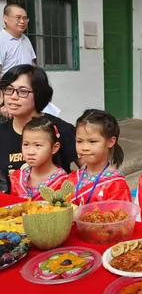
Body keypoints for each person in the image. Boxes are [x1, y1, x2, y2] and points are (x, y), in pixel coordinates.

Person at [0, 65, 77, 193]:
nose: (13, 96)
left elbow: (90, 170)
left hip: (55, 209)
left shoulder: (61, 129)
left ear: (39, 94)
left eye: (23, 91)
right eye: (9, 89)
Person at [68, 109, 131, 204]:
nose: (85, 148)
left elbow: (121, 216)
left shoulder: (116, 185)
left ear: (110, 142)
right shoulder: (72, 178)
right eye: (79, 141)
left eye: (92, 141)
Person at [10, 116, 68, 200]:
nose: (30, 152)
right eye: (26, 144)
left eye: (38, 145)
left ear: (54, 148)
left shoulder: (62, 182)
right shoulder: (18, 177)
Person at [0, 4, 36, 76]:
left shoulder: (26, 39)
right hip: (8, 86)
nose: (22, 21)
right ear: (5, 18)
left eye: (25, 18)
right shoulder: (1, 40)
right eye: (18, 17)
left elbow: (32, 64)